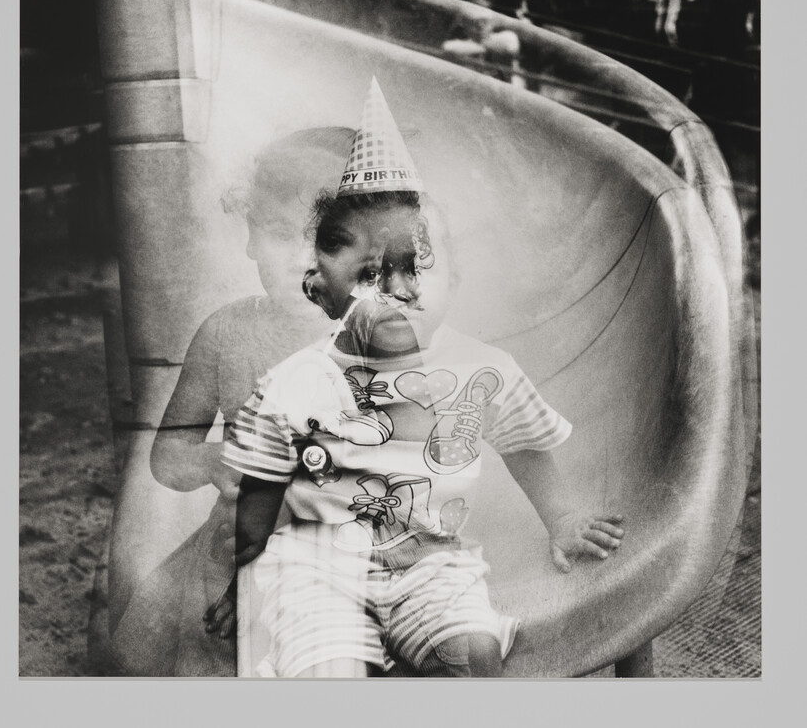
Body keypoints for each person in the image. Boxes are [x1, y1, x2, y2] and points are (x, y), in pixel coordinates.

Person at [203, 78, 625, 678]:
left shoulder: (485, 371)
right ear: (326, 289)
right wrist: (243, 582)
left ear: (458, 274)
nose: (401, 290)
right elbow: (262, 491)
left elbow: (524, 445)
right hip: (312, 569)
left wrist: (561, 520)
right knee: (328, 672)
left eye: (420, 265)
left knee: (473, 656)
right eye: (372, 273)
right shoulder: (295, 381)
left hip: (432, 567)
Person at [109, 127, 351, 675]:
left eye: (329, 240)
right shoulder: (225, 334)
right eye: (281, 233)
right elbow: (168, 456)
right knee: (156, 641)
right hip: (233, 549)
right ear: (249, 234)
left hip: (345, 555)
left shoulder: (377, 342)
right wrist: (208, 459)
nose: (302, 260)